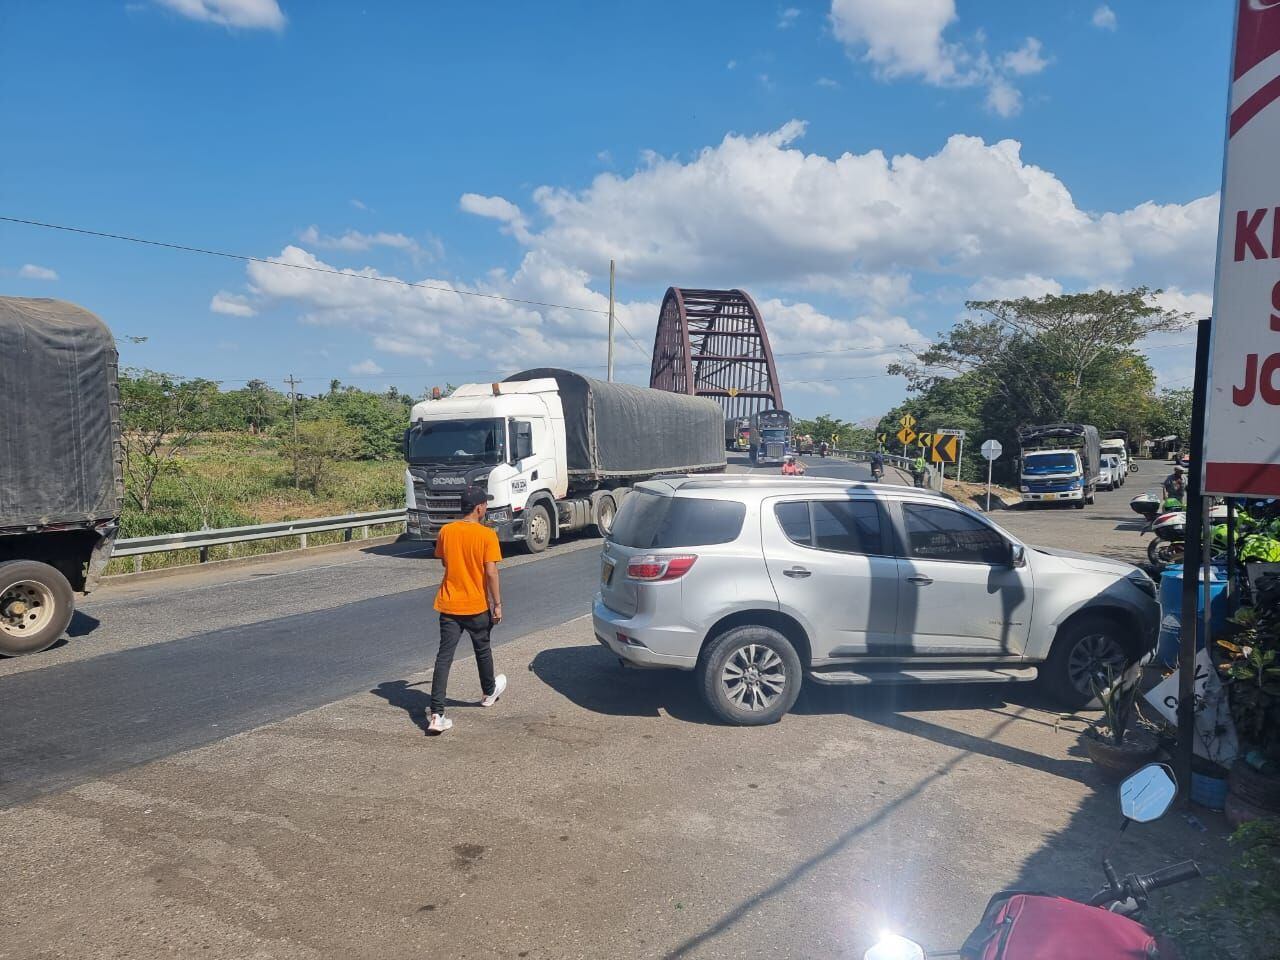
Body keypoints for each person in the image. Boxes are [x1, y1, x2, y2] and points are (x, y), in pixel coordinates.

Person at [428, 486, 507, 735]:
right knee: (482, 649)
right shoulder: (486, 535)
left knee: (444, 657)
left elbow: (444, 560)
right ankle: (488, 692)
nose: (486, 508)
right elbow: (491, 571)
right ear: (479, 508)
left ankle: (437, 714)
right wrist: (497, 603)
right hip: (476, 605)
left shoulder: (446, 531)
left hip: (449, 604)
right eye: (485, 505)